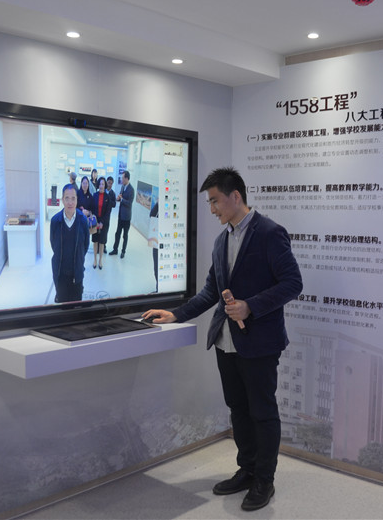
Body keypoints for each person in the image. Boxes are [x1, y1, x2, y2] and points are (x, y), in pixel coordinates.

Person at [142, 167, 303, 512]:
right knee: (238, 409)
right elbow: (211, 292)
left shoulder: (270, 233)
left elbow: (293, 283)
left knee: (262, 411)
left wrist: (250, 306)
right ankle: (247, 469)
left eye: (215, 201)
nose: (212, 208)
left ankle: (265, 479)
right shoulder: (221, 241)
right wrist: (176, 314)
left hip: (260, 343)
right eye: (209, 202)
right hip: (225, 342)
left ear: (235, 196)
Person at [49, 184, 90, 303]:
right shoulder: (55, 221)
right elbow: (53, 244)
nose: (70, 202)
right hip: (60, 273)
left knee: (76, 306)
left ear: (77, 200)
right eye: (67, 198)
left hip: (77, 273)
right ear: (62, 199)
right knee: (62, 305)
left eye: (73, 198)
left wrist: (79, 259)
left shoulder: (83, 221)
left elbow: (85, 245)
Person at [109, 170, 134, 259]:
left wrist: (122, 199)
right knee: (117, 233)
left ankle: (123, 251)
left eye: (123, 178)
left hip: (126, 217)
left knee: (125, 235)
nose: (121, 179)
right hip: (120, 215)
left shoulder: (131, 190)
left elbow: (129, 203)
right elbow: (121, 197)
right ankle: (115, 249)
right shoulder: (123, 187)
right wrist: (118, 199)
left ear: (127, 178)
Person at [93, 176, 117, 266]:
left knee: (102, 242)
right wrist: (96, 222)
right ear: (98, 185)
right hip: (95, 222)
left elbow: (108, 212)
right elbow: (93, 209)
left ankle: (100, 260)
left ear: (105, 185)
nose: (101, 186)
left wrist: (102, 222)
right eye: (100, 184)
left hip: (104, 223)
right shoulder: (95, 195)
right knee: (95, 241)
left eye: (103, 184)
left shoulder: (108, 197)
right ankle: (95, 259)